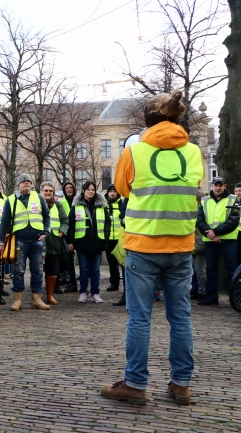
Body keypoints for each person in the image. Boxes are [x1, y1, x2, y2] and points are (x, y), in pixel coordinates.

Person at [101, 89, 203, 406]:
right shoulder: (194, 153)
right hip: (181, 247)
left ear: (147, 123)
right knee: (181, 318)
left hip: (143, 247)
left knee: (140, 320)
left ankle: (135, 384)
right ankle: (181, 384)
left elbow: (120, 188)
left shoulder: (135, 153)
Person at [0, 174, 50, 310]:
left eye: (28, 181)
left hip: (37, 240)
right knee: (18, 271)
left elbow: (46, 217)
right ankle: (17, 300)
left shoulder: (39, 198)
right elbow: (4, 222)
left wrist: (46, 232)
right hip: (19, 241)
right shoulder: (11, 200)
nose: (26, 183)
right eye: (23, 182)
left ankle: (36, 299)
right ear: (18, 185)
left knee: (37, 271)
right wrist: (1, 242)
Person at [195, 177, 239, 305]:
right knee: (211, 270)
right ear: (212, 186)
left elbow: (234, 220)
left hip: (228, 239)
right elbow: (200, 220)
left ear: (225, 186)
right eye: (216, 185)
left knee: (233, 270)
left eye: (220, 185)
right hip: (210, 240)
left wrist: (216, 232)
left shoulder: (233, 199)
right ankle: (211, 297)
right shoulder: (204, 200)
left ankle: (235, 299)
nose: (218, 188)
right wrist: (211, 234)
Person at [67, 180, 111, 303]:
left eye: (93, 190)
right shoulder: (77, 205)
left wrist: (105, 237)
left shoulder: (102, 205)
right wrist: (70, 241)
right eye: (88, 190)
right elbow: (71, 224)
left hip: (98, 242)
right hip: (82, 242)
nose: (91, 192)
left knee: (96, 270)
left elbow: (108, 222)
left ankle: (95, 293)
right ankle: (83, 292)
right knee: (84, 269)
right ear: (83, 191)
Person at [39, 181, 69, 303]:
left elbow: (65, 221)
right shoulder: (36, 204)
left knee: (52, 269)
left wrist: (62, 232)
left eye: (50, 191)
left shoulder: (58, 205)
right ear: (41, 191)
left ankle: (50, 295)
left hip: (54, 242)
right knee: (38, 270)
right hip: (40, 243)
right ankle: (37, 295)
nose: (48, 192)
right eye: (46, 190)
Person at [58, 181, 78, 292]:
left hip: (78, 232)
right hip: (66, 233)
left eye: (71, 187)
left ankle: (72, 281)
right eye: (67, 188)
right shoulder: (61, 202)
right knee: (65, 259)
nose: (69, 189)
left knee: (71, 259)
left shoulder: (78, 201)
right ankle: (68, 280)